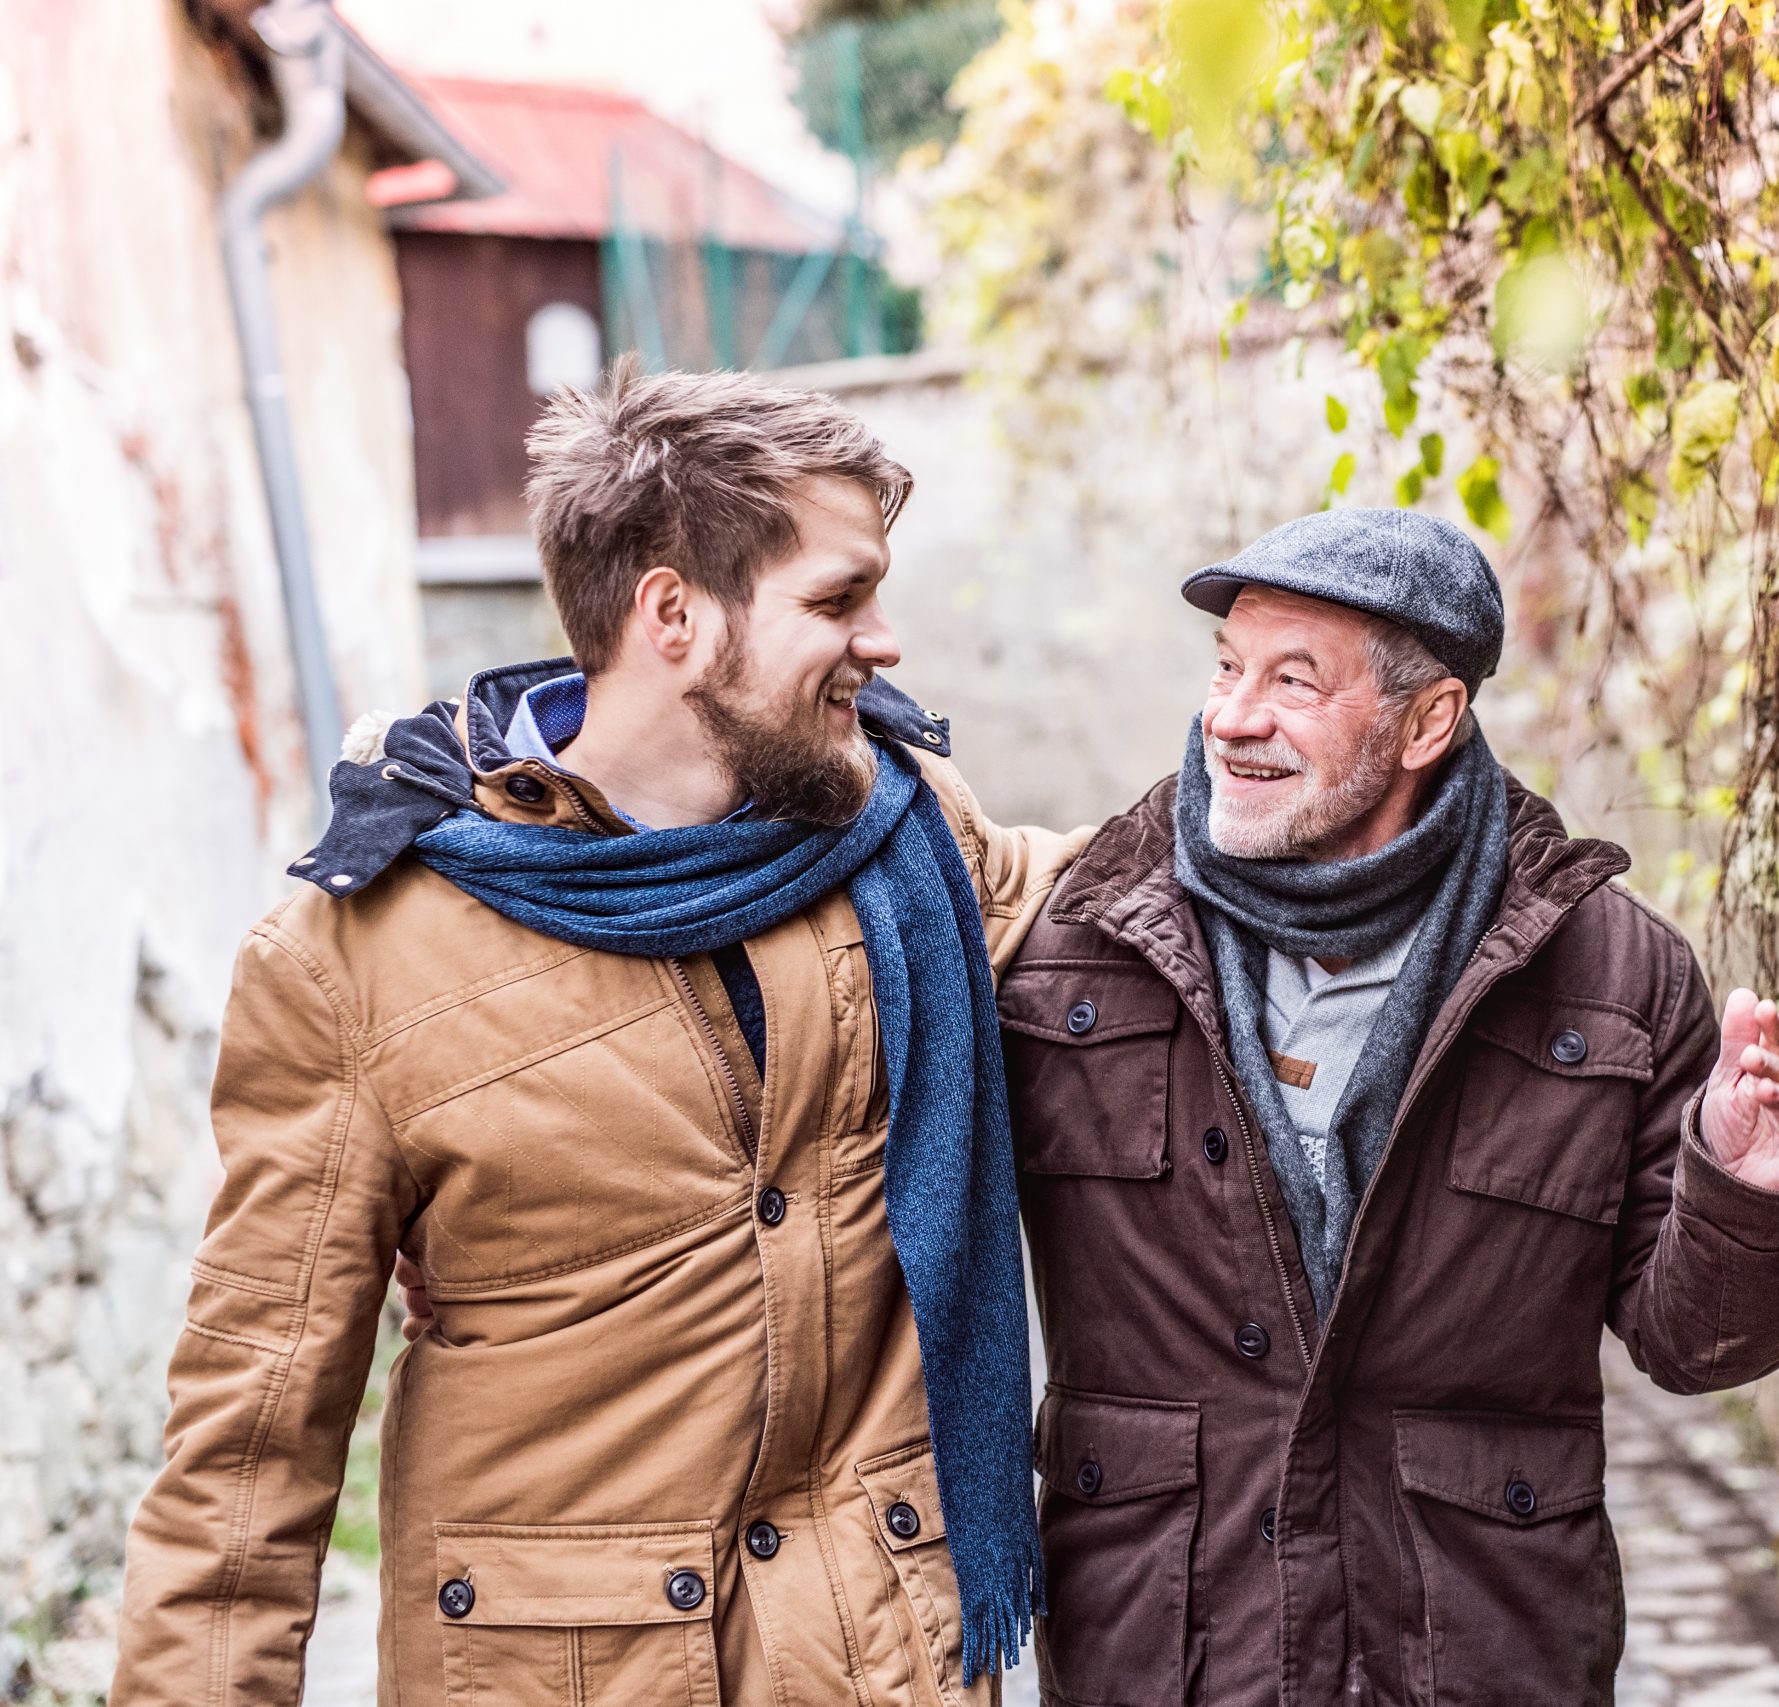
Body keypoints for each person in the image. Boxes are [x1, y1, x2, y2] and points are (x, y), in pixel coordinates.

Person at [112, 364, 1079, 1707]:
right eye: (839, 599)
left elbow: (1123, 901)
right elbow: (248, 1445)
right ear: (674, 614)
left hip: (878, 1659)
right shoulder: (361, 957)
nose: (885, 639)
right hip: (558, 1669)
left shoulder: (903, 838)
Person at [1001, 508, 1779, 1705]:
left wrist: (1746, 1196)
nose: (1232, 717)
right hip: (1164, 1650)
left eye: (1295, 681)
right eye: (1228, 668)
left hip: (1476, 1652)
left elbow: (1695, 1344)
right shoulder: (1081, 942)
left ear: (1427, 721)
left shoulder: (1611, 976)